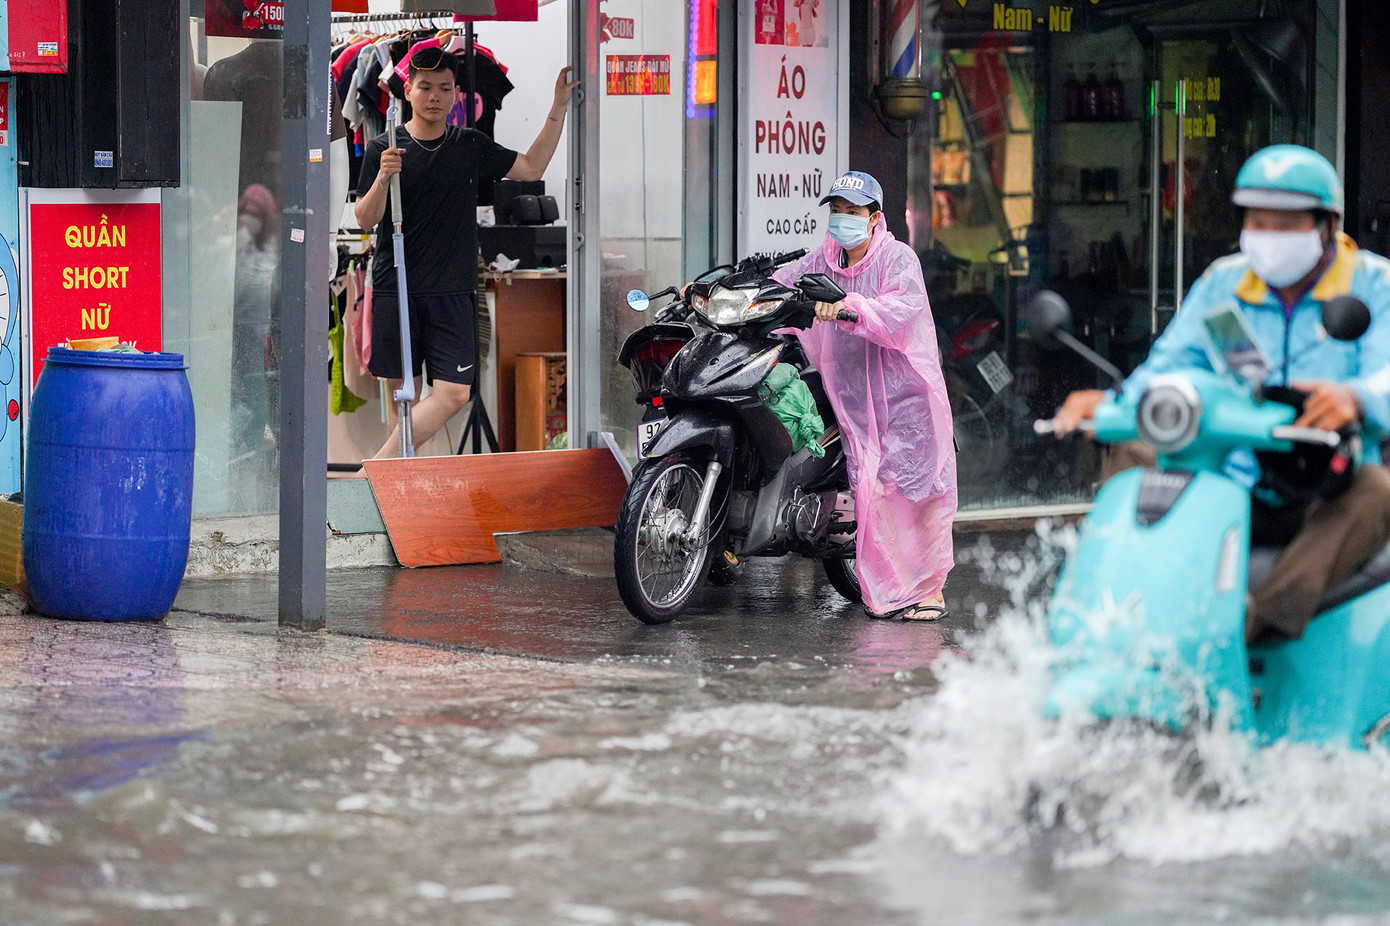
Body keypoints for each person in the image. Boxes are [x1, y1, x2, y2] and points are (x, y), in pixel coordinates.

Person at [1051, 144, 1390, 641]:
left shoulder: (1373, 284)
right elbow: (1171, 365)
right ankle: (1103, 616)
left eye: (1287, 223)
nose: (1268, 236)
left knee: (1379, 491)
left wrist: (1355, 397)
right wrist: (1116, 404)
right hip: (1228, 475)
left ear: (1326, 226)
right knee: (1135, 448)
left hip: (1324, 485)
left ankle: (1256, 627)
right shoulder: (1225, 283)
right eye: (1258, 220)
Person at [355, 48, 578, 460]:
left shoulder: (469, 145)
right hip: (397, 286)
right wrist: (384, 177)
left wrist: (557, 106)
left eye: (444, 88)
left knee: (453, 393)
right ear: (408, 90)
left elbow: (531, 168)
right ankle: (399, 492)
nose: (434, 96)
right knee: (404, 397)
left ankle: (374, 471)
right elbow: (366, 219)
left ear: (457, 94)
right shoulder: (384, 148)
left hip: (452, 291)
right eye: (425, 87)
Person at [772, 171, 957, 621]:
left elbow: (899, 312)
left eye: (852, 213)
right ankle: (892, 590)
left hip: (905, 397)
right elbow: (782, 282)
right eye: (836, 212)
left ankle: (929, 591)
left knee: (915, 493)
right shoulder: (824, 259)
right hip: (856, 402)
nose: (841, 220)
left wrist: (849, 308)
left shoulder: (898, 259)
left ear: (875, 218)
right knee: (872, 493)